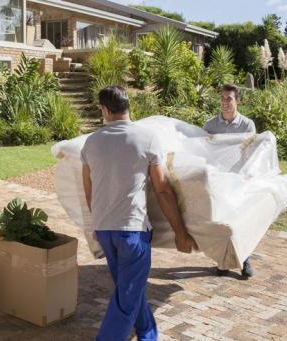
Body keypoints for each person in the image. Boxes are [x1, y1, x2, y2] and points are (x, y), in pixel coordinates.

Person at [81, 86, 196, 341]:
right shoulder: (147, 138)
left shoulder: (91, 142)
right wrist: (180, 233)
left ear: (105, 110)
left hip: (104, 229)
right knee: (126, 299)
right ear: (127, 107)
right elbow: (163, 190)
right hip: (132, 232)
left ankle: (147, 333)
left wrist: (97, 225)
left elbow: (88, 191)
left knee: (129, 290)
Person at [203, 84, 256, 278]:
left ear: (238, 101)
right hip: (217, 181)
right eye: (223, 98)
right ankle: (223, 262)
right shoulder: (210, 125)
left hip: (238, 180)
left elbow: (250, 153)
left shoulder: (247, 125)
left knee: (240, 222)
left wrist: (247, 176)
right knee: (221, 223)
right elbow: (204, 152)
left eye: (229, 99)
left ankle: (244, 260)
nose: (225, 102)